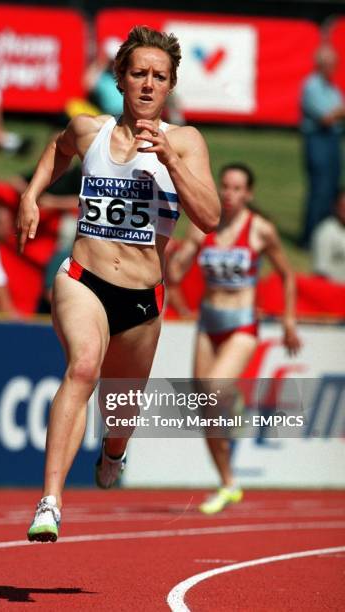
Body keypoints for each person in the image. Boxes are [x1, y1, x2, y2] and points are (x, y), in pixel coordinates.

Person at [17, 25, 220, 542]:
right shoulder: (91, 132)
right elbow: (57, 148)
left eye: (159, 77)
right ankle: (50, 502)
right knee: (83, 366)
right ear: (120, 80)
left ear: (171, 86)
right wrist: (32, 195)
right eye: (138, 74)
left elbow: (211, 216)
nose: (148, 85)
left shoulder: (187, 142)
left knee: (120, 414)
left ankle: (114, 449)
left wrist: (171, 160)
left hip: (142, 302)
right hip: (82, 278)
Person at [168, 163, 301, 514]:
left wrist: (288, 320)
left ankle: (232, 401)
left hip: (242, 323)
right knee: (204, 405)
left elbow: (288, 275)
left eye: (237, 188)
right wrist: (178, 258)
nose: (229, 194)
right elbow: (176, 274)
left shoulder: (260, 230)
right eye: (225, 187)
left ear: (248, 194)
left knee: (215, 389)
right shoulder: (203, 227)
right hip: (209, 323)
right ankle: (228, 482)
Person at [300, 44, 345, 246]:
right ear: (320, 64)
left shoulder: (333, 88)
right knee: (319, 188)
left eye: (334, 64)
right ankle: (310, 236)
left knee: (332, 188)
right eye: (328, 64)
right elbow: (326, 117)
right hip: (318, 139)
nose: (332, 68)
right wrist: (339, 112)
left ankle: (327, 235)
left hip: (333, 140)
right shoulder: (312, 86)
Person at [311, 188, 345, 283]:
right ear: (336, 207)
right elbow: (320, 273)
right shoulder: (326, 232)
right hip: (334, 289)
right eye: (343, 208)